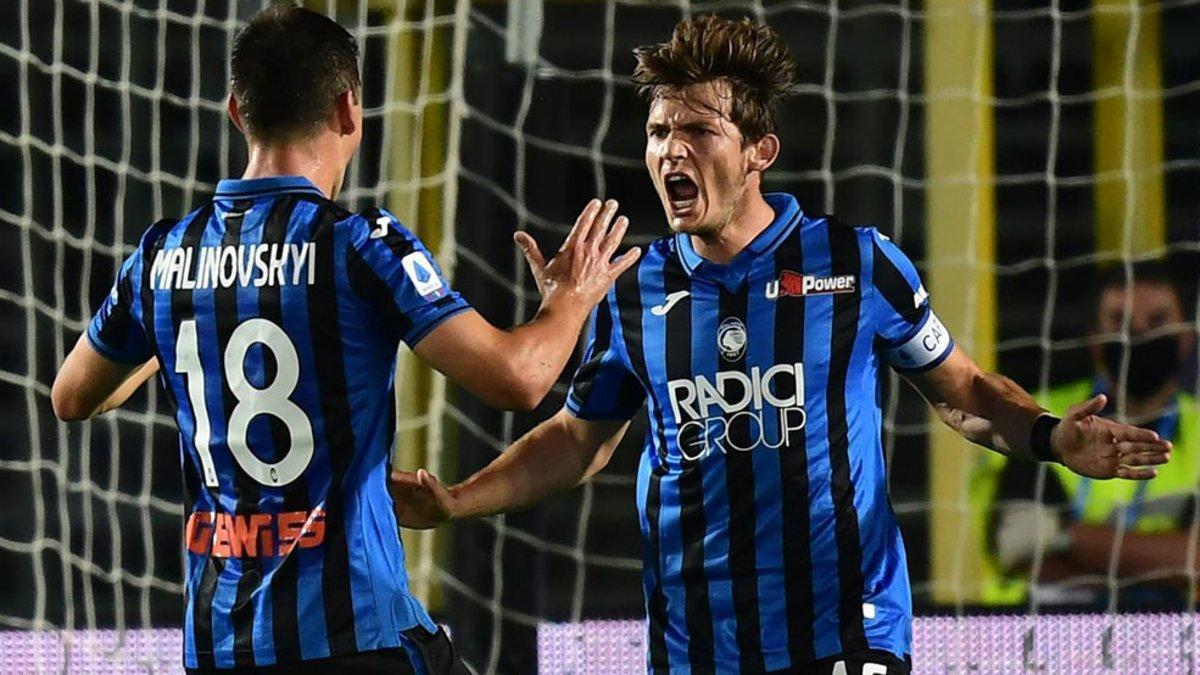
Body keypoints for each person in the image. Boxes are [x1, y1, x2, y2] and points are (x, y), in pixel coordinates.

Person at [389, 15, 1172, 675]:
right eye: (659, 130)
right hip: (696, 642)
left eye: (698, 128)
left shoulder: (855, 262)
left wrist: (1049, 435)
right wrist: (458, 501)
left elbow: (962, 391)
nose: (670, 150)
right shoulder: (632, 289)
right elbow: (578, 440)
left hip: (845, 629)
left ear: (760, 151)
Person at [50, 6, 638, 674]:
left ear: (236, 112)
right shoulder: (359, 247)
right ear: (349, 108)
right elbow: (520, 378)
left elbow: (70, 396)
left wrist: (195, 311)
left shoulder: (162, 257)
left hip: (220, 647)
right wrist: (569, 301)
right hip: (354, 637)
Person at [982, 261, 1199, 608]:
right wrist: (1160, 556)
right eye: (1120, 322)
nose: (1138, 333)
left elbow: (1194, 563)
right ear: (1094, 338)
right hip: (1040, 642)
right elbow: (1021, 552)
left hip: (1177, 645)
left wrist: (1064, 536)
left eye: (1157, 321)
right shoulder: (1035, 416)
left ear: (1187, 337)